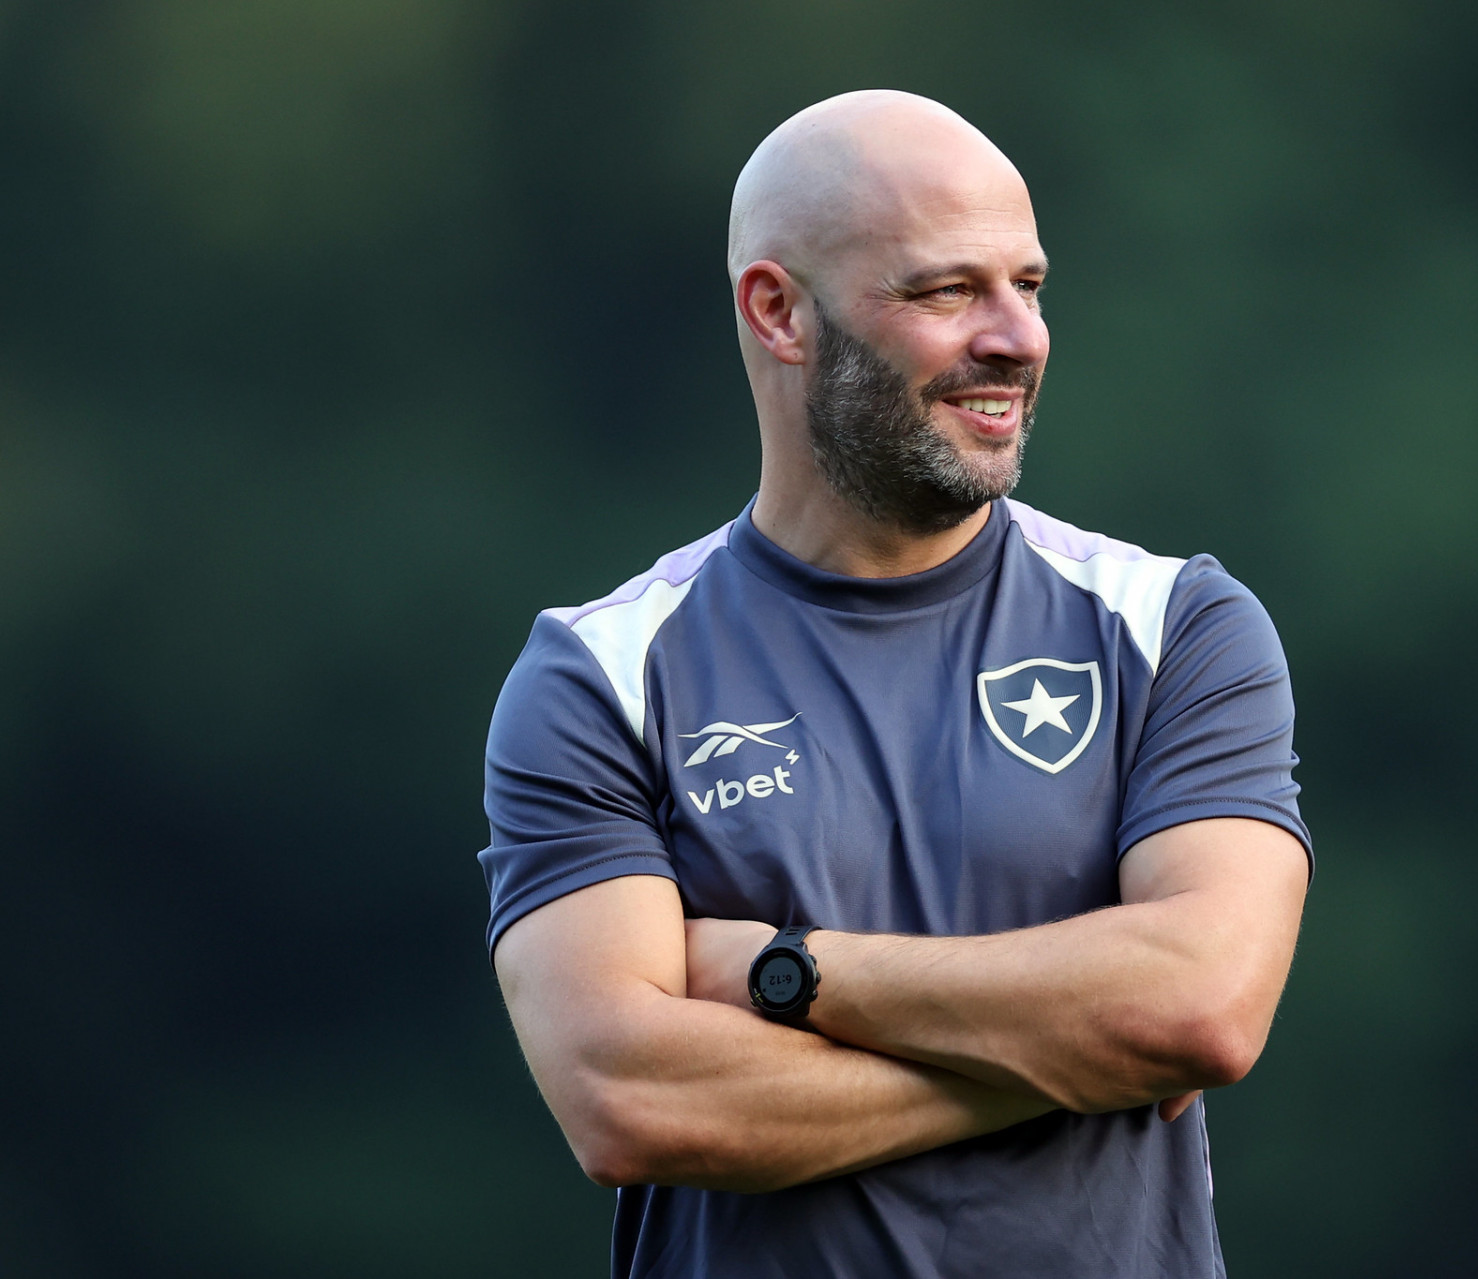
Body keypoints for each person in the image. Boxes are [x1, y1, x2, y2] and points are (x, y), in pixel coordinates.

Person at [479, 89, 1312, 1278]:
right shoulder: (600, 677)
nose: (1017, 338)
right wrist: (1076, 1058)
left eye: (1028, 285)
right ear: (779, 313)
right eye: (946, 291)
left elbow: (1200, 1010)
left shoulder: (1176, 628)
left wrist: (785, 971)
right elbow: (634, 1103)